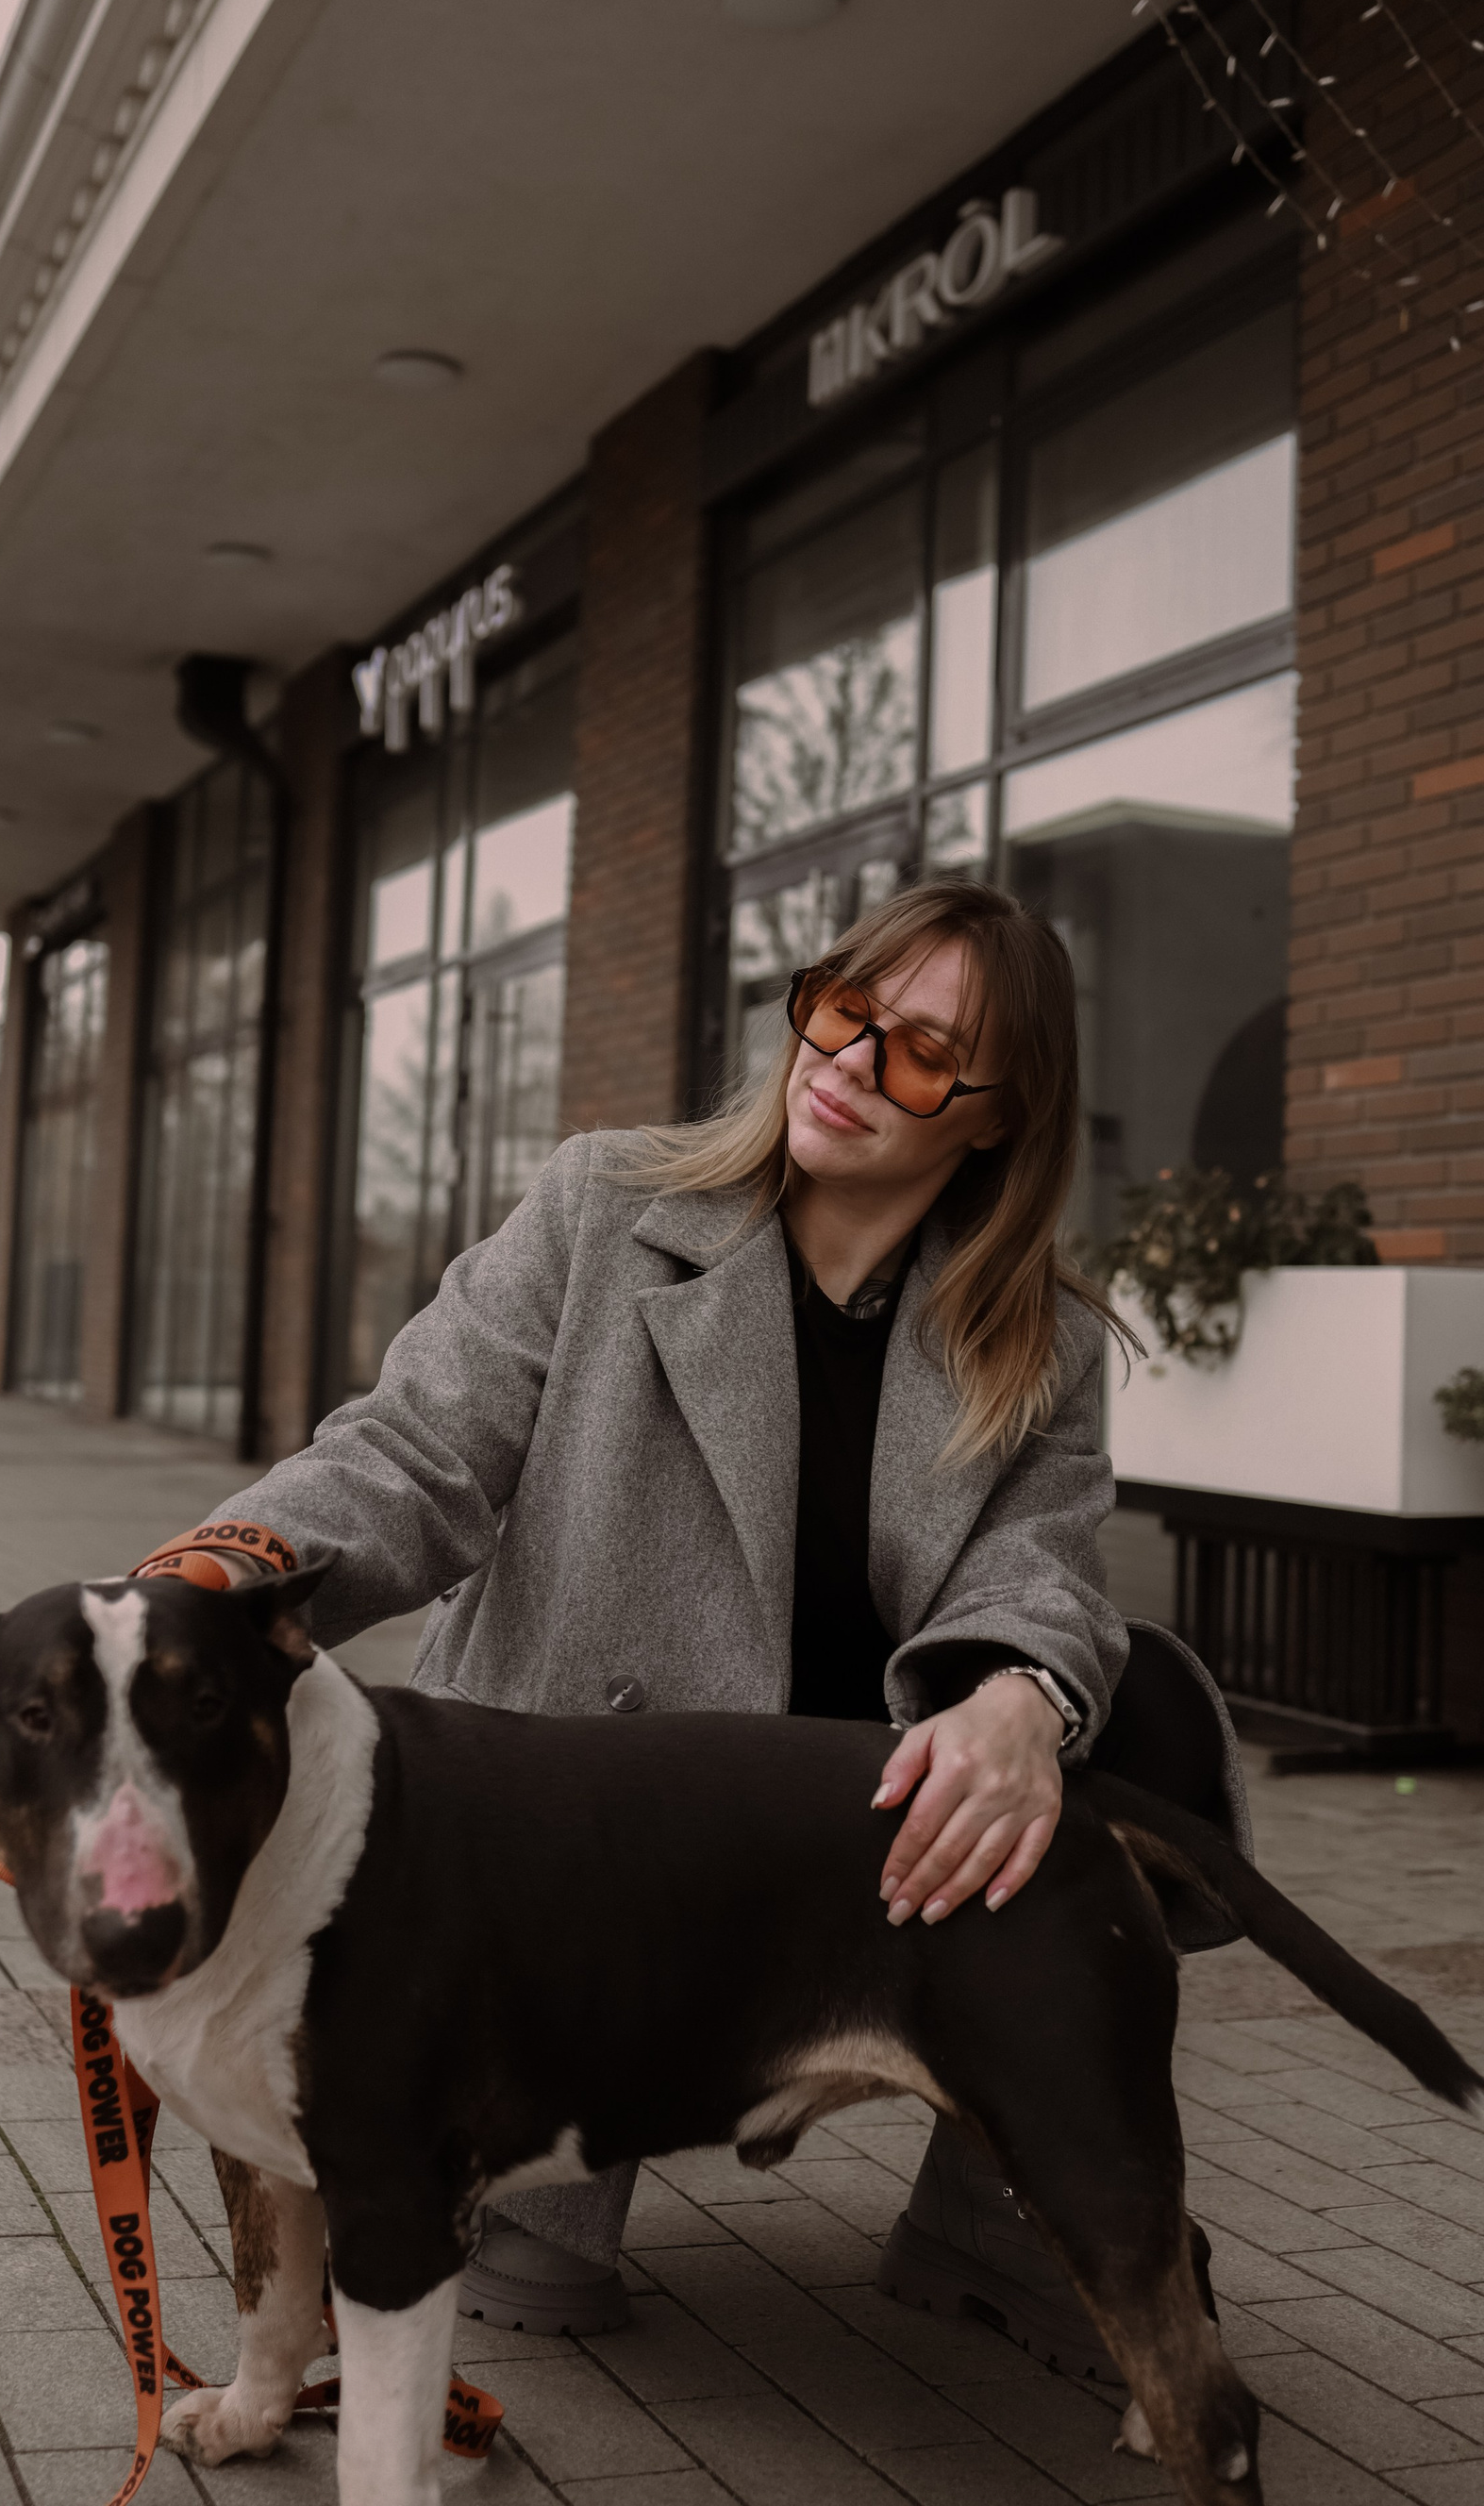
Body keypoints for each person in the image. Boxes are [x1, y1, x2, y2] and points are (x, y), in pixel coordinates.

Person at [146, 878, 1248, 2367]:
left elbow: (1039, 1565)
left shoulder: (1034, 1332)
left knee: (1130, 1729)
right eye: (845, 1009)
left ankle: (1003, 2197)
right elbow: (418, 1447)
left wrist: (1014, 1704)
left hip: (843, 1812)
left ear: (999, 1117)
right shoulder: (608, 1206)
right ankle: (519, 2153)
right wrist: (222, 1571)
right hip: (589, 1809)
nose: (851, 1062)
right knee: (524, 2263)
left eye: (924, 1052)